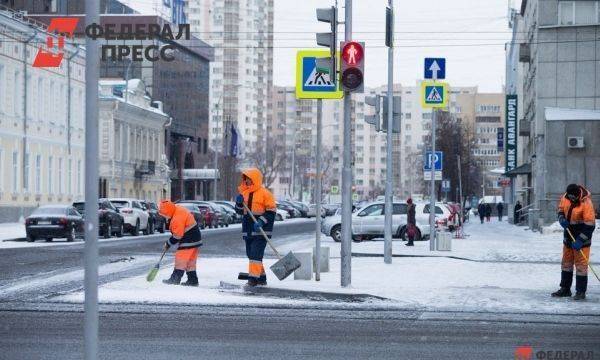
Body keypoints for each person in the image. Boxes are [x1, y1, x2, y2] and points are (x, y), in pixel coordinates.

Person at [552, 184, 595, 301]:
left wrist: (580, 240)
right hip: (568, 236)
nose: (571, 199)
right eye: (569, 197)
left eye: (573, 197)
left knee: (581, 266)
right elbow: (561, 210)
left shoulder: (586, 203)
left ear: (578, 195)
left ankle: (580, 292)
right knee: (566, 263)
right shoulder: (565, 197)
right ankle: (565, 289)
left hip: (582, 238)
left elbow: (590, 225)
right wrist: (561, 218)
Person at [235, 168, 277, 287]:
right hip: (248, 229)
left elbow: (271, 211)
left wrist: (261, 221)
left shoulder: (265, 194)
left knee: (255, 254)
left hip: (261, 230)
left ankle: (253, 279)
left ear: (255, 179)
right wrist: (238, 203)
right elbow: (239, 211)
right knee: (251, 254)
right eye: (245, 179)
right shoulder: (244, 193)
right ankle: (262, 277)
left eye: (249, 179)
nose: (247, 181)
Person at [159, 200, 203, 286]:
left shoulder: (177, 218)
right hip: (194, 239)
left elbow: (178, 235)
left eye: (164, 215)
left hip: (188, 240)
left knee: (180, 259)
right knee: (190, 262)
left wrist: (168, 243)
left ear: (168, 211)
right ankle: (193, 280)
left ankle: (175, 278)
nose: (165, 217)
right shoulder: (177, 210)